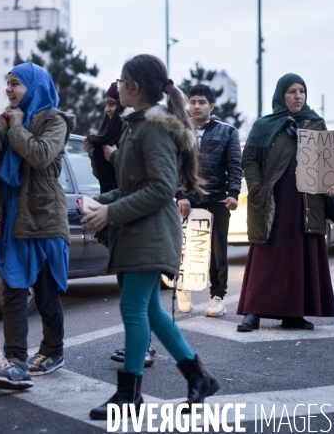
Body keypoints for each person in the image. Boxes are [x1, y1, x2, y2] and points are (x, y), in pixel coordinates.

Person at [82, 54, 219, 420]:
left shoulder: (152, 128)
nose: (118, 86)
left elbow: (160, 189)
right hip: (139, 231)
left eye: (122, 81)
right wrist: (99, 201)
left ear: (135, 87)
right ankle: (198, 376)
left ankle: (129, 396)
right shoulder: (136, 126)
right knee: (152, 311)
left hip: (151, 233)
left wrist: (109, 211)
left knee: (132, 309)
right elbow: (133, 186)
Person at [0, 62, 75, 390]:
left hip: (44, 220)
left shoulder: (55, 120)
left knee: (46, 293)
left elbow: (41, 155)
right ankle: (16, 362)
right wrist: (3, 130)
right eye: (7, 84)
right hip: (13, 220)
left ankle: (53, 350)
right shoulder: (11, 120)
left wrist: (18, 128)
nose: (9, 90)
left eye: (16, 84)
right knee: (13, 291)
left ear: (35, 86)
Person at [236, 73, 334, 332]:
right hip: (274, 199)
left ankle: (294, 314)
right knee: (266, 254)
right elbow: (250, 161)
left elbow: (328, 164)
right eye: (292, 91)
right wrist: (258, 190)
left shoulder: (315, 123)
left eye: (302, 91)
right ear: (282, 95)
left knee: (301, 256)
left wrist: (332, 183)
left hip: (307, 201)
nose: (298, 96)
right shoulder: (264, 126)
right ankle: (253, 311)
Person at [83, 82, 156, 367]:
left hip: (136, 219)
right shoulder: (115, 135)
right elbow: (111, 180)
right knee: (133, 294)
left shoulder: (138, 133)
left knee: (136, 296)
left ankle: (142, 352)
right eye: (107, 104)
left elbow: (145, 182)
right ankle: (187, 368)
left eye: (112, 104)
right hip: (118, 218)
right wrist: (95, 155)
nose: (108, 110)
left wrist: (114, 156)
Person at [175, 84, 242, 316]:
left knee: (217, 251)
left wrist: (233, 194)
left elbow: (235, 165)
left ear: (211, 106)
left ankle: (218, 296)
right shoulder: (179, 131)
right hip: (187, 200)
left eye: (201, 102)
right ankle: (182, 288)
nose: (196, 106)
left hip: (216, 199)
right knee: (183, 247)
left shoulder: (228, 132)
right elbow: (172, 166)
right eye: (192, 102)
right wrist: (180, 194)